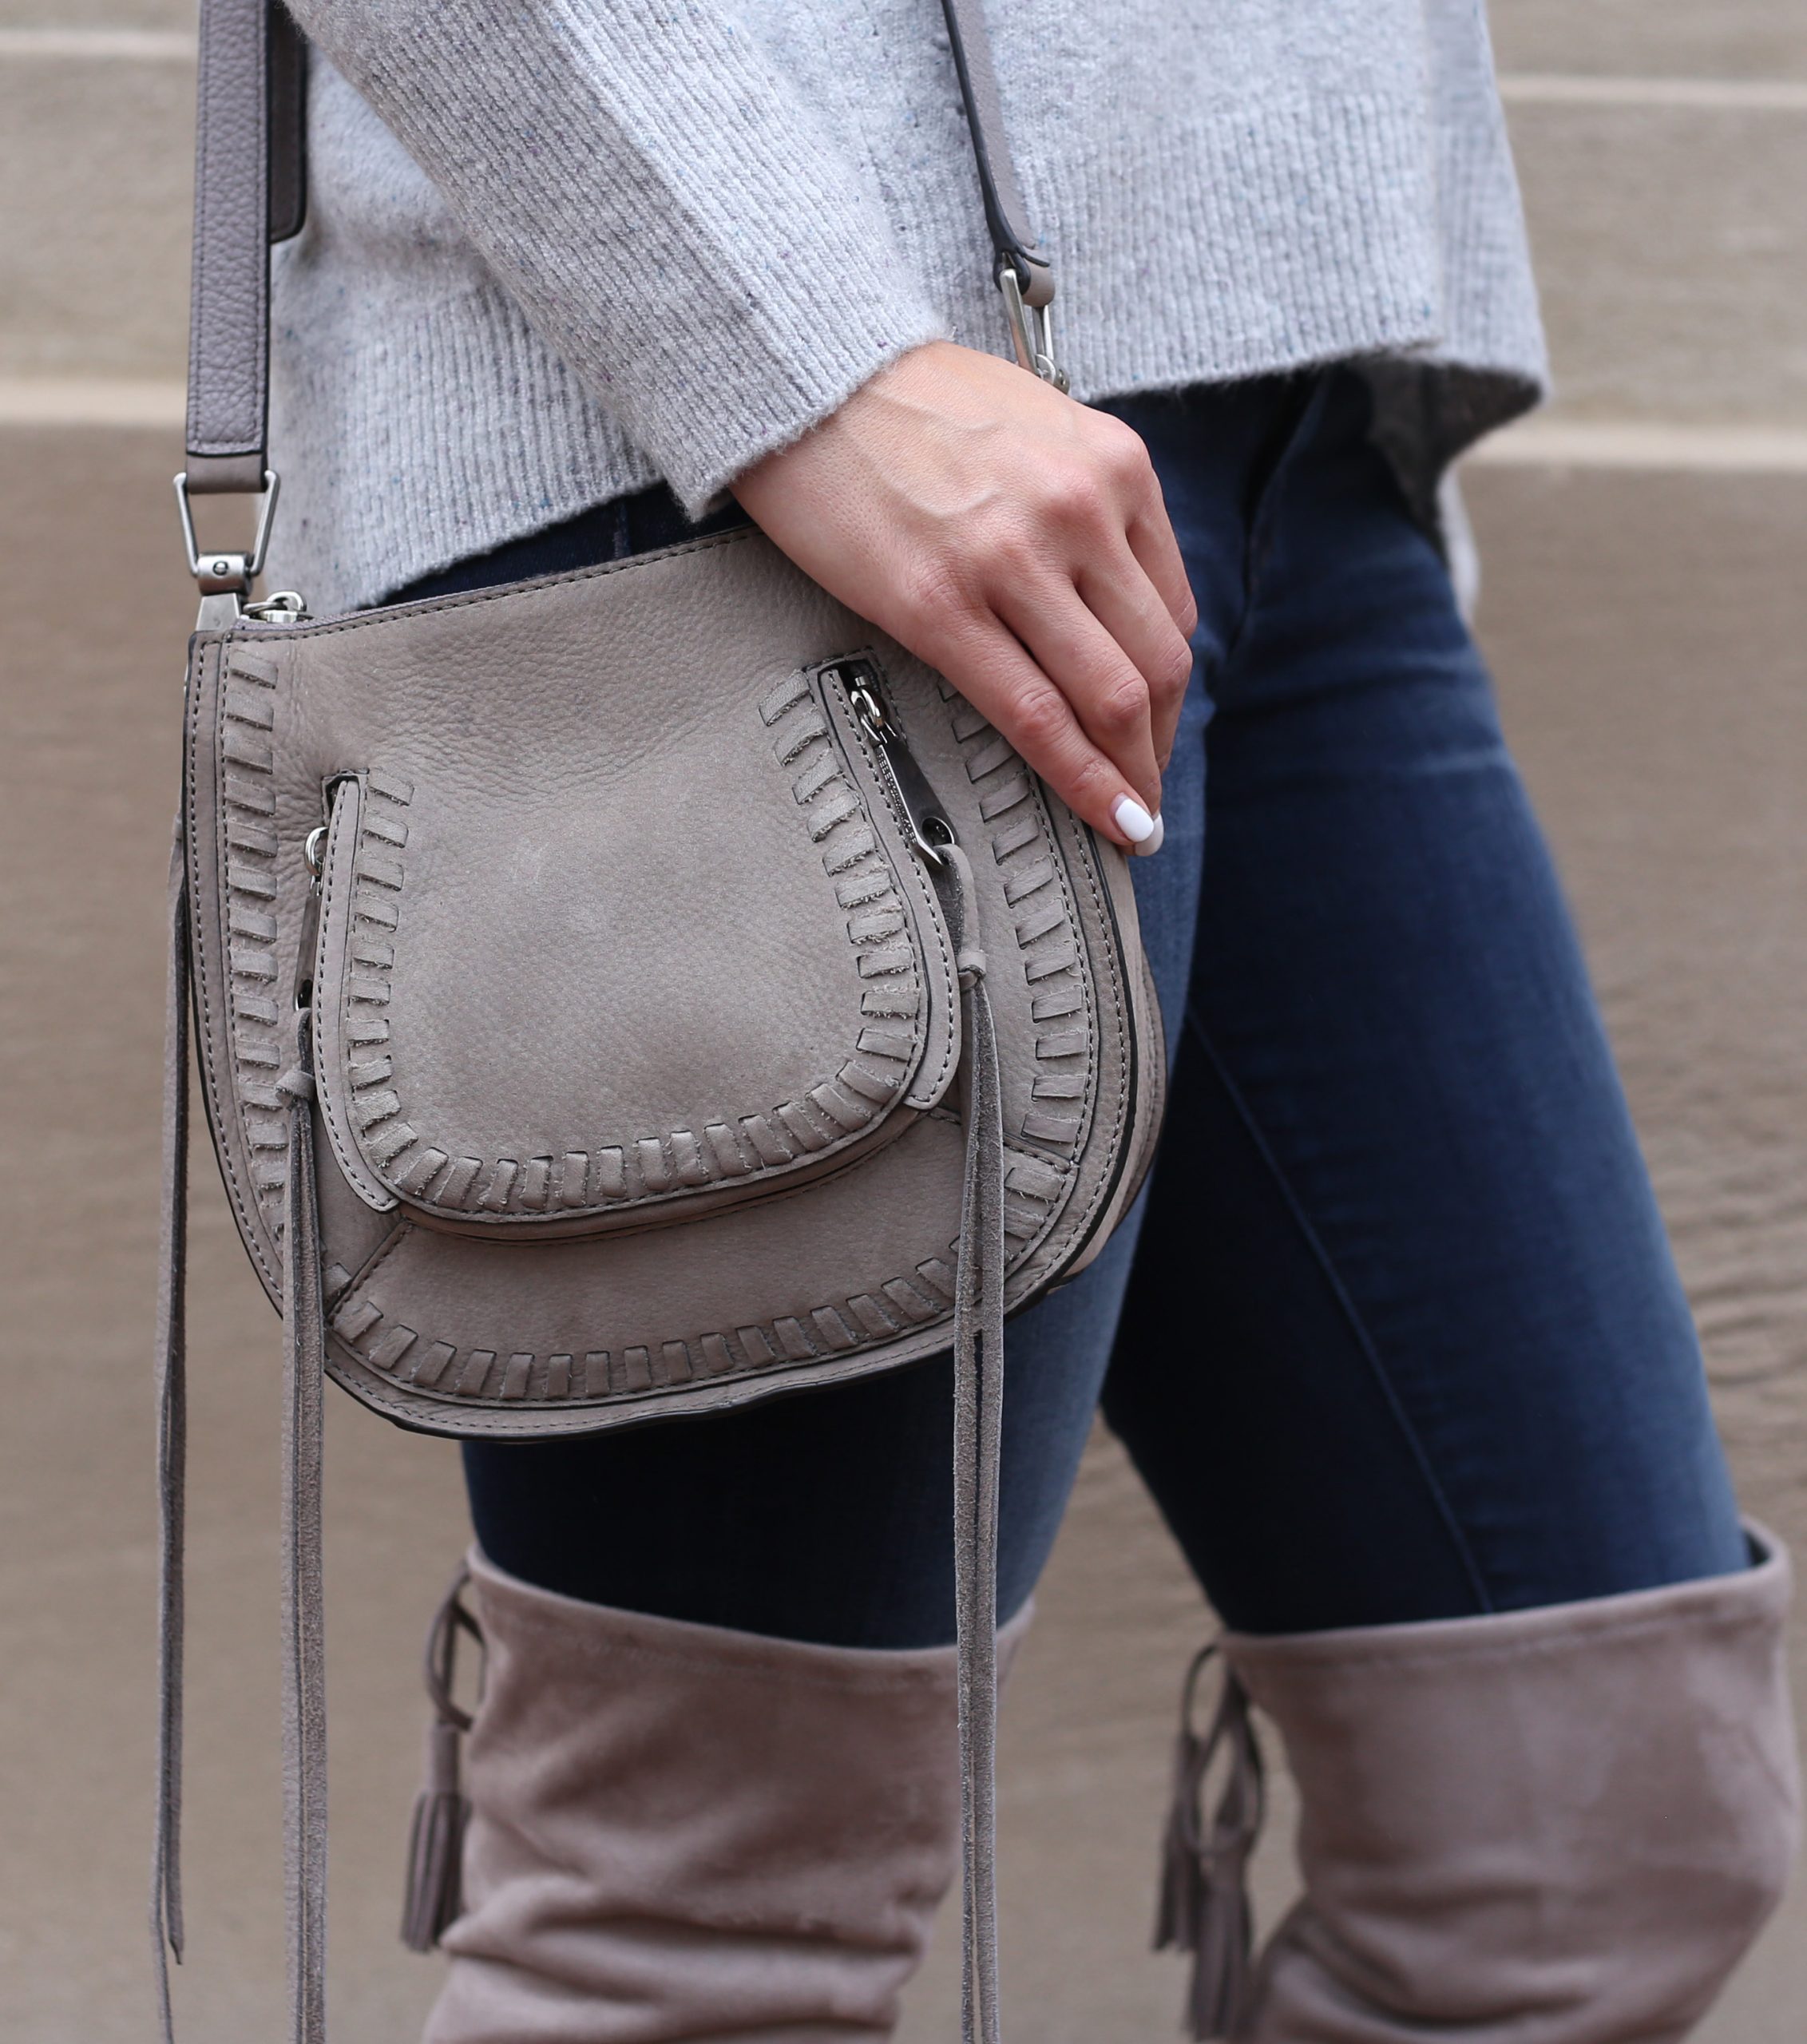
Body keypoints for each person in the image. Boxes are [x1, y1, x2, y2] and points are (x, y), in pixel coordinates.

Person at [268, 5, 1799, 2039]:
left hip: (1277, 435)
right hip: (757, 471)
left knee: (1574, 1846)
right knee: (706, 1916)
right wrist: (804, 352)